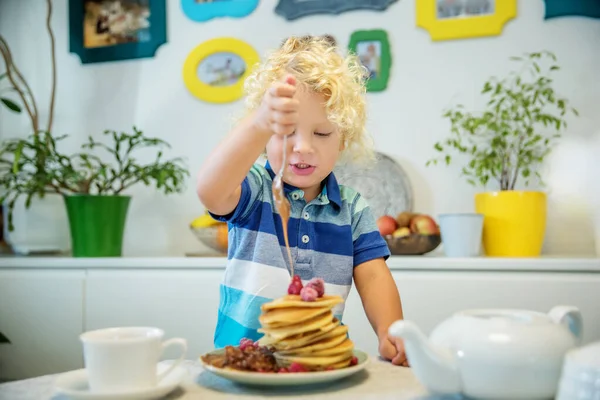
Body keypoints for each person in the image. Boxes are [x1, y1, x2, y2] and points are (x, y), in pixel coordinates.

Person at [196, 35, 408, 366]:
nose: (303, 147)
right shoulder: (256, 190)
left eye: (321, 134)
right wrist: (259, 124)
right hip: (243, 362)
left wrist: (390, 330)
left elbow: (374, 276)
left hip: (320, 363)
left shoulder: (352, 209)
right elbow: (210, 190)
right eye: (285, 132)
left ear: (343, 140)